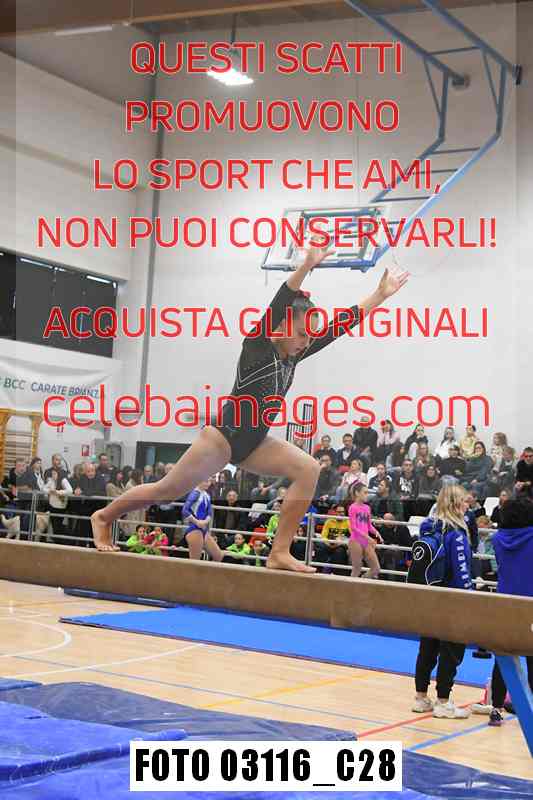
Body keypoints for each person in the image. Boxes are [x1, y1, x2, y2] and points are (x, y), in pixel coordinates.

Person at [92, 243, 409, 571]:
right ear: (280, 327)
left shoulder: (294, 355)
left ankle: (279, 552)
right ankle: (103, 516)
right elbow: (280, 301)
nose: (306, 341)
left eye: (309, 336)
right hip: (222, 439)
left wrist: (379, 295)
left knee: (309, 469)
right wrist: (305, 267)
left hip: (254, 443)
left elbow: (339, 326)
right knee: (164, 491)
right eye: (302, 333)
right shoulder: (257, 346)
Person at [412, 484, 473, 719]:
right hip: (451, 599)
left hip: (429, 597)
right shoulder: (456, 534)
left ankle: (420, 698)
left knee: (427, 647)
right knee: (451, 650)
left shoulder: (429, 528)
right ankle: (443, 702)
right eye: (464, 502)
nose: (467, 505)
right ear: (455, 504)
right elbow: (461, 571)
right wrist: (470, 597)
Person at [487, 497, 533, 726]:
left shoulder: (497, 539)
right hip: (529, 604)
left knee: (503, 657)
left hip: (504, 603)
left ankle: (495, 709)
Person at [347, 482, 383, 579]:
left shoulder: (367, 508)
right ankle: (350, 586)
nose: (367, 495)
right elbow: (354, 527)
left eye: (367, 492)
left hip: (366, 541)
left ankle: (363, 580)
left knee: (376, 568)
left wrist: (377, 533)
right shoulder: (352, 507)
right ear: (357, 493)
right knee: (357, 568)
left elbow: (369, 526)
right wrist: (368, 537)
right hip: (355, 540)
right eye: (365, 492)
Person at [182, 480, 223, 562]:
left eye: (209, 481)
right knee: (195, 561)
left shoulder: (207, 495)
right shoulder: (195, 493)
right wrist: (196, 522)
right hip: (194, 529)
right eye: (205, 481)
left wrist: (205, 522)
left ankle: (207, 571)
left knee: (218, 556)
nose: (208, 483)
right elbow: (185, 510)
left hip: (203, 529)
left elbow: (209, 512)